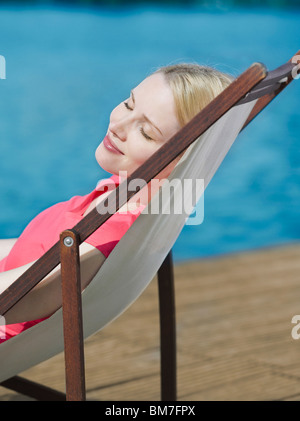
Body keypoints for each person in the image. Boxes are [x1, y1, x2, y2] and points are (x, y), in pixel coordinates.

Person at [0, 63, 233, 343]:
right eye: (128, 104)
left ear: (182, 162)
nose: (118, 126)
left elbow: (16, 299)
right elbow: (34, 248)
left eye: (146, 132)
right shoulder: (124, 195)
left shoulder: (105, 238)